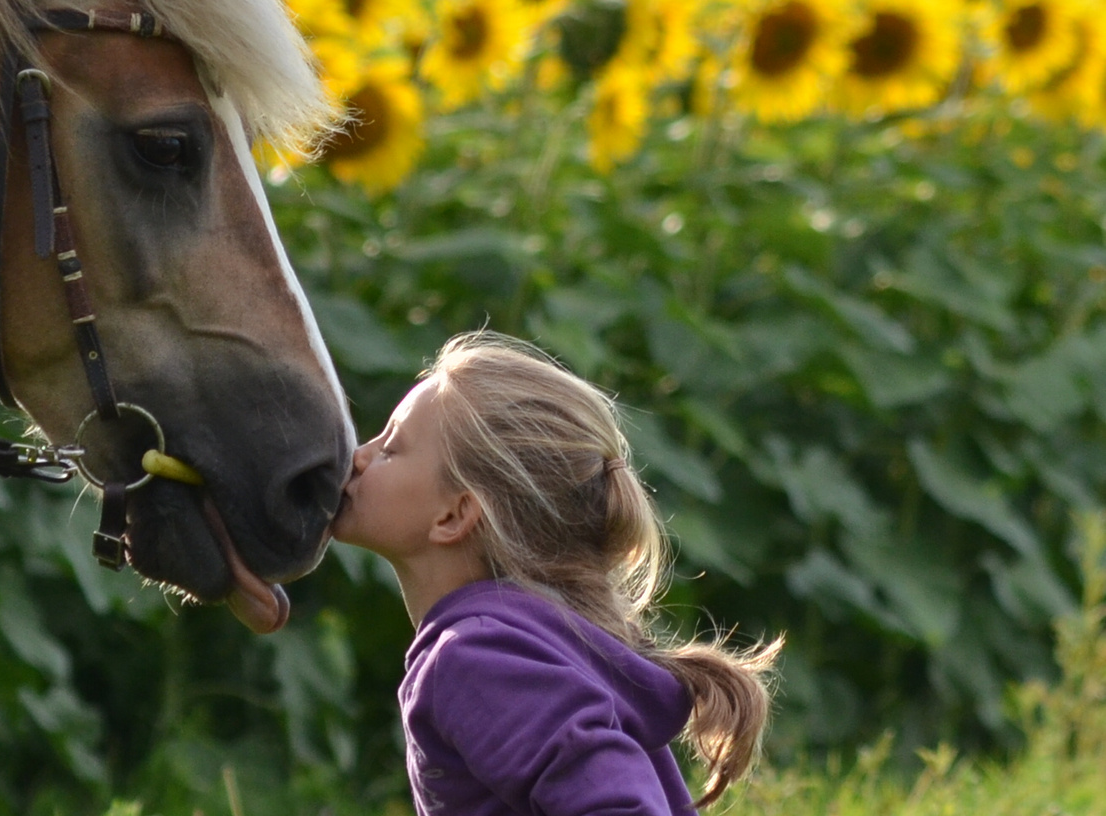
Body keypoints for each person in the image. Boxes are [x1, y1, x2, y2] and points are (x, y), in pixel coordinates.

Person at [332, 331, 781, 815]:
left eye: (391, 448)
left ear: (454, 515)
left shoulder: (477, 657)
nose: (359, 456)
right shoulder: (535, 640)